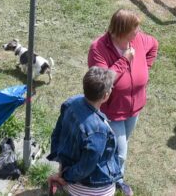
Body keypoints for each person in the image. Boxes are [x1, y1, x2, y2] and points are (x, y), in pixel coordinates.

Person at [87, 9, 158, 196]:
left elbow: (154, 44)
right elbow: (103, 83)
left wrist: (145, 67)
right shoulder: (98, 48)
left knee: (120, 144)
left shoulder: (138, 39)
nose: (138, 32)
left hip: (134, 108)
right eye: (134, 29)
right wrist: (124, 60)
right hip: (111, 111)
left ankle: (110, 176)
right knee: (120, 151)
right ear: (122, 31)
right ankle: (112, 182)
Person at [47, 67, 123, 196]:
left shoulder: (71, 103)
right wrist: (65, 176)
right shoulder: (98, 131)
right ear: (105, 95)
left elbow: (57, 134)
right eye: (111, 88)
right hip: (93, 188)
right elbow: (85, 168)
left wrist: (62, 166)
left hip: (72, 179)